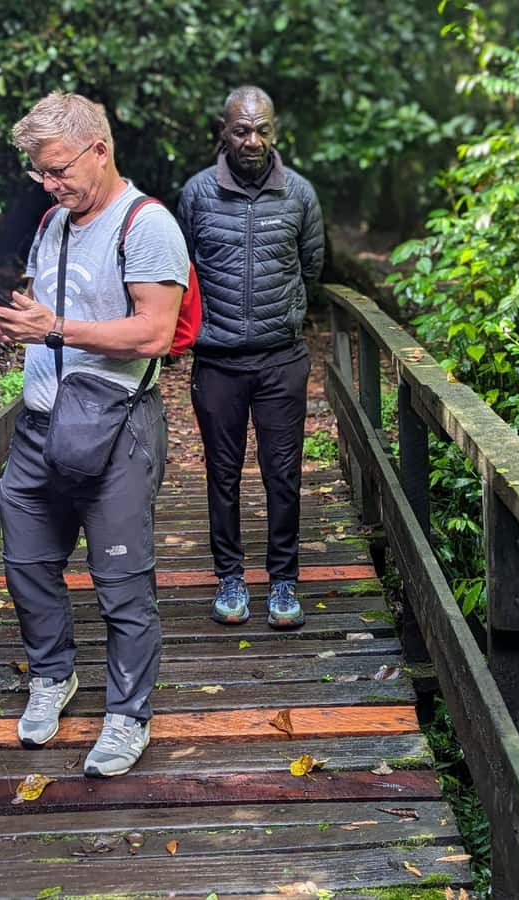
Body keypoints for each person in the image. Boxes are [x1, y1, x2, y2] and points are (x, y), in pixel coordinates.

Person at [0, 92, 188, 777]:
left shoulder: (147, 225)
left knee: (121, 581)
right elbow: (45, 306)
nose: (48, 183)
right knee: (26, 563)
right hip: (39, 425)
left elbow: (155, 332)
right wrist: (13, 326)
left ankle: (128, 715)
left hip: (116, 426)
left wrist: (55, 330)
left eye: (58, 169)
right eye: (40, 172)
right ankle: (52, 675)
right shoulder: (54, 221)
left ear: (99, 150)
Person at [177, 85, 324, 630]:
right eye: (241, 130)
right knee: (223, 474)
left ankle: (283, 580)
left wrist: (282, 317)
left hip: (280, 359)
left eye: (262, 130)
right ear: (224, 132)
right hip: (217, 362)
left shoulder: (299, 194)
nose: (252, 141)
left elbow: (312, 268)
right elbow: (182, 270)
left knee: (283, 474)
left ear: (275, 132)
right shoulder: (197, 193)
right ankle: (230, 577)